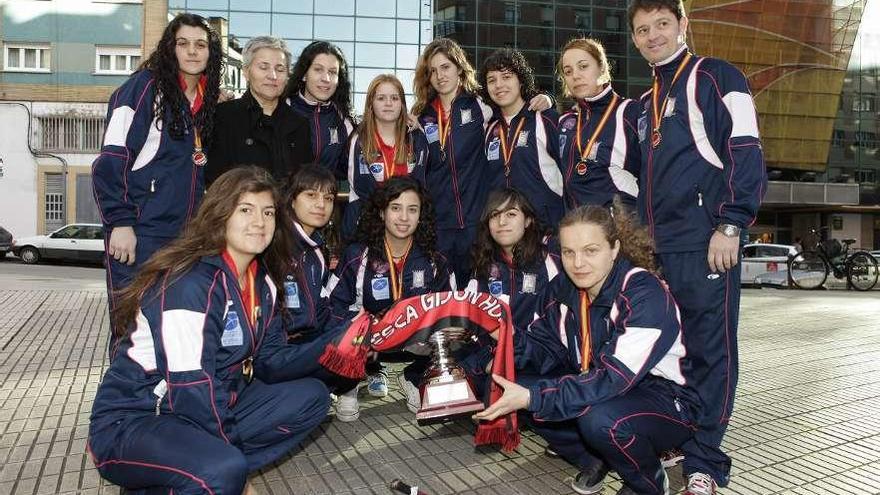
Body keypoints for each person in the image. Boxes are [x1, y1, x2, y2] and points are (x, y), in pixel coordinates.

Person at [88, 167, 336, 494]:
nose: (259, 222)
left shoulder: (263, 283)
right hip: (137, 419)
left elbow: (272, 361)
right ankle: (199, 473)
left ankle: (188, 474)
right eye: (245, 210)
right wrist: (237, 471)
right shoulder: (188, 283)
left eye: (268, 212)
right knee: (224, 469)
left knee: (312, 397)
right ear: (220, 215)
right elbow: (193, 386)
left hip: (207, 405)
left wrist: (337, 346)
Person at [627, 1, 768, 493]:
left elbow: (745, 150)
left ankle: (704, 463)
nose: (653, 36)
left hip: (706, 244)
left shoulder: (717, 76)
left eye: (662, 24)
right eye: (643, 29)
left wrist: (731, 224)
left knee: (711, 355)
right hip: (660, 251)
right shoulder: (646, 103)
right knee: (669, 355)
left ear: (683, 25)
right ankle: (676, 439)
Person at [473, 203, 700, 495]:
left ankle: (647, 483)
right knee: (507, 383)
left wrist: (533, 397)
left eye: (591, 250)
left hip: (667, 400)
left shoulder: (644, 292)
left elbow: (612, 378)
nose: (578, 263)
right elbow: (544, 348)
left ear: (615, 249)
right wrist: (502, 338)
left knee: (599, 419)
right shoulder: (565, 289)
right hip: (601, 386)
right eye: (568, 252)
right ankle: (594, 458)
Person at [92, 13, 223, 350]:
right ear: (170, 47)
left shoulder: (205, 101)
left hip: (184, 237)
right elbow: (111, 159)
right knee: (132, 331)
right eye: (183, 44)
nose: (192, 52)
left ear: (211, 53)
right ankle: (120, 403)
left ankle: (160, 402)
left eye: (200, 45)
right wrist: (120, 222)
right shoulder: (144, 87)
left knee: (170, 330)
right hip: (141, 232)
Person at [412, 38, 552, 282]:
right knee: (444, 292)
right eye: (432, 71)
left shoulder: (481, 104)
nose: (439, 76)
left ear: (459, 68)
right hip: (441, 225)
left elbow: (515, 110)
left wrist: (547, 100)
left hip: (478, 223)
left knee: (479, 291)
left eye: (445, 67)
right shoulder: (422, 116)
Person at [325, 176, 456, 418]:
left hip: (416, 340)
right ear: (382, 213)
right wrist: (362, 327)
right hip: (370, 340)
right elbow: (332, 305)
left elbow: (450, 309)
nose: (404, 218)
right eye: (395, 208)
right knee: (337, 327)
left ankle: (414, 378)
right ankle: (349, 384)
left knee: (453, 335)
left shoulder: (435, 260)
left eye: (412, 210)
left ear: (421, 216)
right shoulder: (357, 255)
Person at [207, 36, 312, 185]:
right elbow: (215, 181)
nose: (272, 76)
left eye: (280, 69)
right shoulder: (223, 116)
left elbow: (304, 183)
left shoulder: (300, 122)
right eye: (263, 67)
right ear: (246, 71)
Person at [478, 48, 564, 229]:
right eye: (492, 80)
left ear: (521, 81)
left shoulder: (546, 119)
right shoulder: (489, 128)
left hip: (545, 230)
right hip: (505, 233)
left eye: (507, 77)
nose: (499, 85)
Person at [342, 74, 431, 239]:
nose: (388, 103)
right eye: (381, 98)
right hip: (366, 225)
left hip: (405, 225)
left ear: (402, 104)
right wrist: (389, 213)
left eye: (395, 98)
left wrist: (401, 214)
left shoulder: (416, 138)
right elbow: (361, 186)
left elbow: (419, 185)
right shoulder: (359, 139)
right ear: (371, 104)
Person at [557, 38, 640, 210]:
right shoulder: (566, 122)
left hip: (622, 229)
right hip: (578, 229)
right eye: (568, 71)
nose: (576, 76)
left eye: (583, 66)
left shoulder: (630, 112)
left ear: (601, 67)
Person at [466, 188, 561, 334]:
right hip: (494, 354)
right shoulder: (483, 262)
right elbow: (471, 319)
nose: (502, 222)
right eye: (494, 215)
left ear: (527, 221)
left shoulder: (549, 259)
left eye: (511, 214)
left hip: (539, 352)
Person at [279, 164, 337, 343]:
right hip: (277, 348)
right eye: (311, 195)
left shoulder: (316, 251)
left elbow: (322, 310)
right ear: (292, 199)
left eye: (328, 198)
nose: (321, 205)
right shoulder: (274, 244)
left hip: (307, 341)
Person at [287, 41, 356, 178]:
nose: (326, 79)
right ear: (304, 74)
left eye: (332, 72)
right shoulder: (282, 109)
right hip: (283, 197)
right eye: (318, 70)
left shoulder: (345, 122)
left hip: (323, 198)